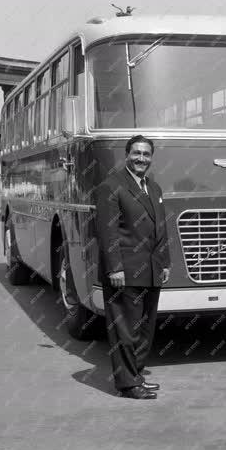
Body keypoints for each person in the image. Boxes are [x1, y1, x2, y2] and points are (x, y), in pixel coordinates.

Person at [95, 135, 171, 399]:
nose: (141, 159)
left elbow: (162, 228)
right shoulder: (111, 186)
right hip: (124, 272)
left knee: (145, 328)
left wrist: (166, 262)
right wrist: (114, 268)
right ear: (126, 155)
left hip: (151, 269)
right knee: (125, 330)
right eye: (136, 153)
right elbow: (107, 233)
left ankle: (136, 375)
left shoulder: (155, 188)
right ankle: (127, 384)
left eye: (146, 154)